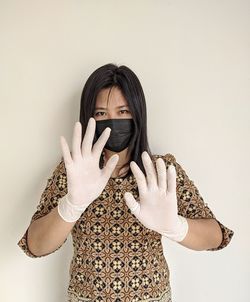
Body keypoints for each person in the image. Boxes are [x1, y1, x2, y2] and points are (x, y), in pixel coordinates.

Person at [17, 63, 234, 302]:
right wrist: (71, 206)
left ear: (138, 113)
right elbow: (35, 245)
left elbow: (217, 236)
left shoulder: (161, 171)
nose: (112, 121)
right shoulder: (73, 171)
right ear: (89, 117)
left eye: (123, 111)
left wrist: (175, 226)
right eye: (101, 113)